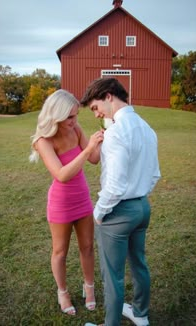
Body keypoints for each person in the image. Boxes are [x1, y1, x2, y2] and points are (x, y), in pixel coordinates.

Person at [80, 78, 161, 326]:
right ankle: (140, 313)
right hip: (142, 206)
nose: (96, 114)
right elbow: (154, 174)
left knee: (112, 274)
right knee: (139, 263)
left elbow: (114, 186)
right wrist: (139, 195)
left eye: (95, 107)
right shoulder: (147, 128)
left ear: (108, 96)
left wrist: (99, 212)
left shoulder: (116, 133)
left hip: (118, 211)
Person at [29, 89, 104, 316]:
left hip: (82, 199)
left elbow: (94, 159)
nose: (74, 121)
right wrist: (88, 148)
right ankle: (62, 292)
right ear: (56, 116)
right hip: (61, 203)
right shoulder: (43, 141)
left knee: (87, 247)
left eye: (76, 116)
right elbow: (61, 174)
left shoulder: (76, 129)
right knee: (60, 251)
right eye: (70, 117)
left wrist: (100, 140)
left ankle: (88, 287)